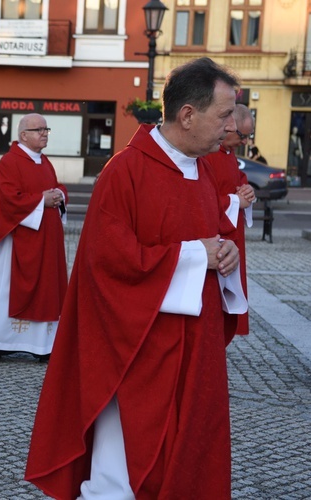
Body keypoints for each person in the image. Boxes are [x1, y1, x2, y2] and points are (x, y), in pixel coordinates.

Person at [26, 57, 245, 499]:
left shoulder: (201, 170)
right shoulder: (126, 171)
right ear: (187, 115)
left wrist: (226, 253)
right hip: (139, 349)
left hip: (194, 345)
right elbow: (107, 262)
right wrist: (192, 256)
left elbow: (209, 240)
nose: (230, 127)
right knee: (126, 467)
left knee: (189, 450)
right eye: (223, 115)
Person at [0, 113, 67, 360]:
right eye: (38, 129)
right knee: (5, 289)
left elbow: (55, 186)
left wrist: (59, 195)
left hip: (44, 242)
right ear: (23, 135)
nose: (44, 133)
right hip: (14, 243)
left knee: (45, 288)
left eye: (46, 129)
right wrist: (42, 199)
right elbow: (6, 200)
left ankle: (41, 345)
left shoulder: (43, 161)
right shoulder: (10, 162)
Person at [205, 103, 257, 340]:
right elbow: (204, 200)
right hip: (217, 236)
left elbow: (238, 179)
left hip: (233, 233)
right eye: (243, 135)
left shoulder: (229, 154)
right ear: (229, 126)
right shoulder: (207, 153)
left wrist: (247, 191)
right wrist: (235, 201)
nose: (246, 142)